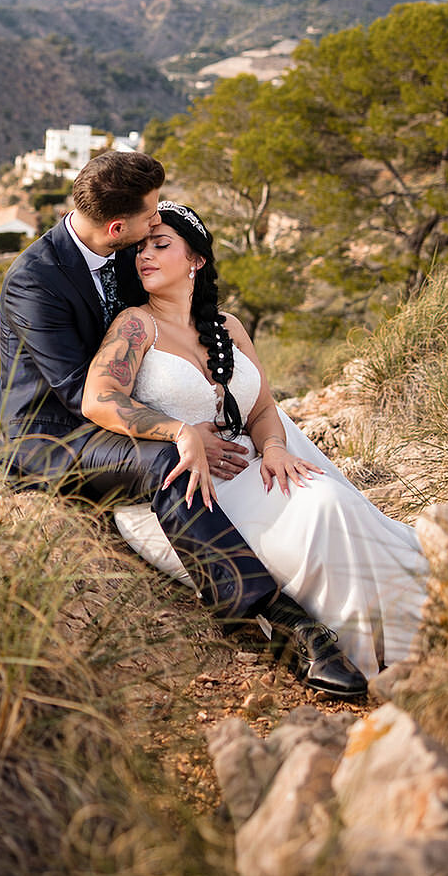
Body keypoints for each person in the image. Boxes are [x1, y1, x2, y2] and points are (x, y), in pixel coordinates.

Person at [0, 152, 368, 698]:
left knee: (263, 428)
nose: (157, 225)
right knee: (171, 457)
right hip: (54, 439)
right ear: (118, 226)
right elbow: (82, 395)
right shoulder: (35, 281)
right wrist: (178, 428)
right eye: (150, 217)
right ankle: (277, 620)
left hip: (112, 415)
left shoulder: (127, 251)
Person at [80, 199, 429, 683]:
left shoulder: (229, 327)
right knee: (322, 512)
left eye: (160, 245)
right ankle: (353, 650)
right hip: (185, 494)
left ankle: (407, 634)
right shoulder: (135, 325)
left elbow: (263, 408)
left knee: (331, 501)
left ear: (197, 260)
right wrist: (177, 430)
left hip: (251, 464)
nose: (145, 257)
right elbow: (98, 399)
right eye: (139, 249)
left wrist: (276, 449)